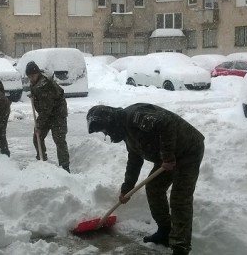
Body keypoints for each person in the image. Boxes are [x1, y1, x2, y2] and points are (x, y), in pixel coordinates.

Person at [86, 103, 204, 255]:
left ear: (110, 121)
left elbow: (165, 123)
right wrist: (127, 188)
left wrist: (167, 156)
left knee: (180, 199)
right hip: (167, 158)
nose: (106, 134)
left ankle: (180, 246)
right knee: (154, 189)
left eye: (104, 129)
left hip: (188, 150)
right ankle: (165, 231)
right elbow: (134, 160)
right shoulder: (126, 132)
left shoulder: (135, 117)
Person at [25, 61, 70, 173]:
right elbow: (43, 105)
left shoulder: (45, 86)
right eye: (29, 76)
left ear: (38, 74)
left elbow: (46, 109)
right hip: (47, 113)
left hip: (57, 114)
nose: (32, 78)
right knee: (37, 138)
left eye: (33, 75)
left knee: (59, 140)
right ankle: (42, 161)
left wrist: (39, 126)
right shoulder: (35, 84)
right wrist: (34, 95)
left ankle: (65, 168)